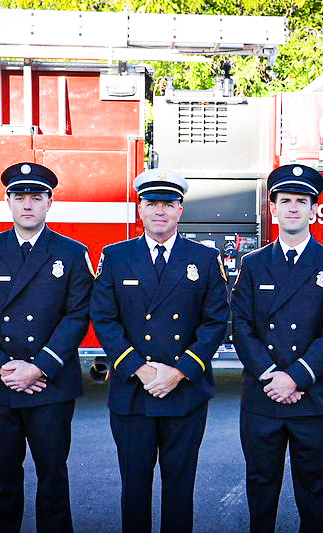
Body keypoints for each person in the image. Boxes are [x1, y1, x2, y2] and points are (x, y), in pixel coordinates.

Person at [0, 162, 94, 533]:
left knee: (52, 473)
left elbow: (78, 315)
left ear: (50, 202)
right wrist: (1, 365)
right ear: (8, 202)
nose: (28, 205)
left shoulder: (71, 252)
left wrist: (40, 367)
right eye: (20, 197)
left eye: (37, 197)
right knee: (2, 474)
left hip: (49, 384)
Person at [90, 168, 229, 533]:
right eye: (152, 203)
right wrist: (139, 368)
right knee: (134, 488)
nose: (160, 212)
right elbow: (104, 318)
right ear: (140, 209)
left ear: (181, 209)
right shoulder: (116, 256)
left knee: (179, 488)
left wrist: (180, 370)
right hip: (133, 392)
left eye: (168, 204)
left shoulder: (204, 258)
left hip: (185, 392)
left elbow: (215, 322)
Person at [230, 164, 323, 532]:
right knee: (261, 487)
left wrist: (295, 378)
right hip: (263, 396)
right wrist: (273, 377)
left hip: (311, 397)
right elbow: (242, 327)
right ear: (273, 209)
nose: (294, 208)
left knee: (313, 490)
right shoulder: (252, 264)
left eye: (302, 201)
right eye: (285, 201)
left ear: (315, 210)